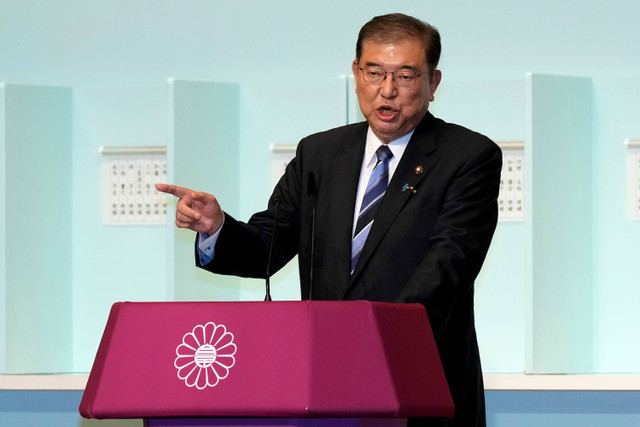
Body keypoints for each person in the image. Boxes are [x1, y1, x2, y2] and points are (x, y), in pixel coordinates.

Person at [157, 13, 502, 427]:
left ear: (433, 83)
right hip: (322, 384)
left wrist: (374, 339)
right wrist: (216, 228)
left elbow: (450, 264)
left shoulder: (467, 157)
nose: (387, 90)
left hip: (420, 381)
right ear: (356, 74)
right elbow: (269, 245)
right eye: (374, 72)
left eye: (406, 76)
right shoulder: (319, 155)